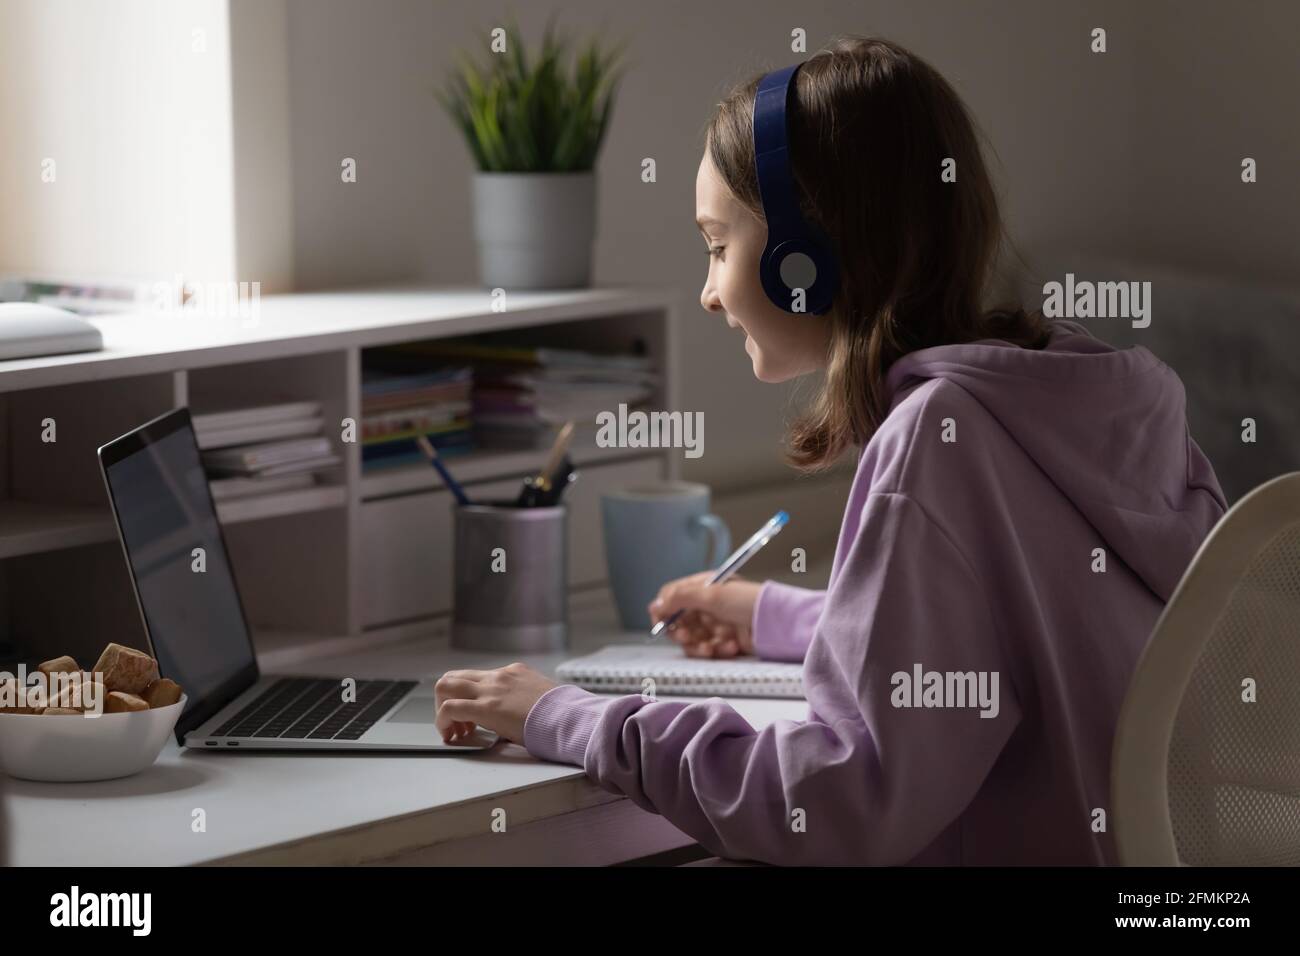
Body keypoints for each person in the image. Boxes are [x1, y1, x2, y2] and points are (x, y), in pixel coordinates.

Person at [432, 35, 1226, 865]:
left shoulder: (938, 439)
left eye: (716, 245)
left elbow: (843, 800)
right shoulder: (1089, 408)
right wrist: (776, 614)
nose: (709, 293)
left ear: (799, 260)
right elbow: (1011, 635)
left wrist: (572, 717)